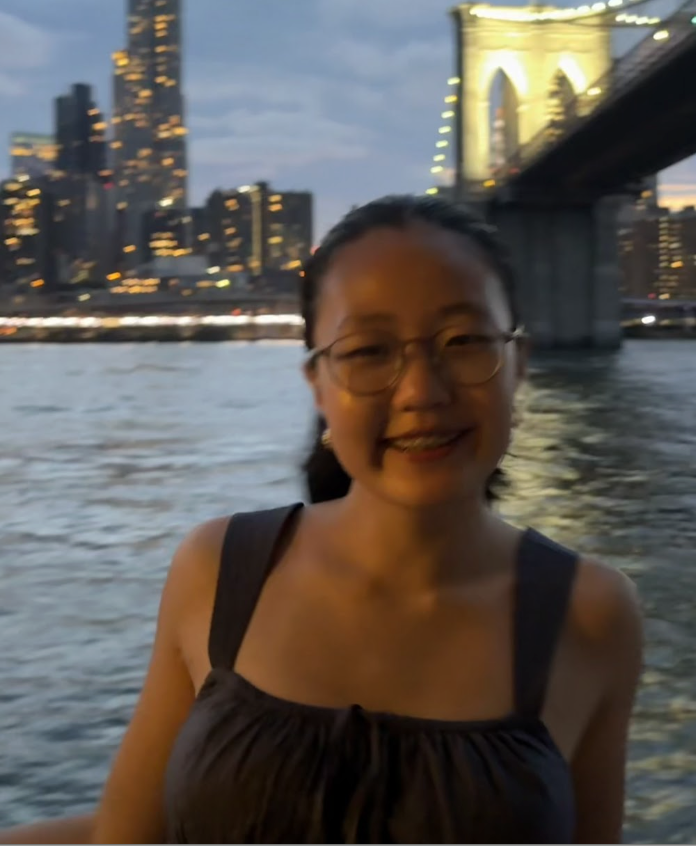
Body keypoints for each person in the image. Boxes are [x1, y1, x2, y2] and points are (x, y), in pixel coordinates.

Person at [0, 194, 642, 844]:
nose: (422, 390)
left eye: (465, 340)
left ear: (519, 365)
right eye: (369, 352)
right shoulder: (221, 572)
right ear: (318, 386)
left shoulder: (590, 613)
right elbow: (128, 835)